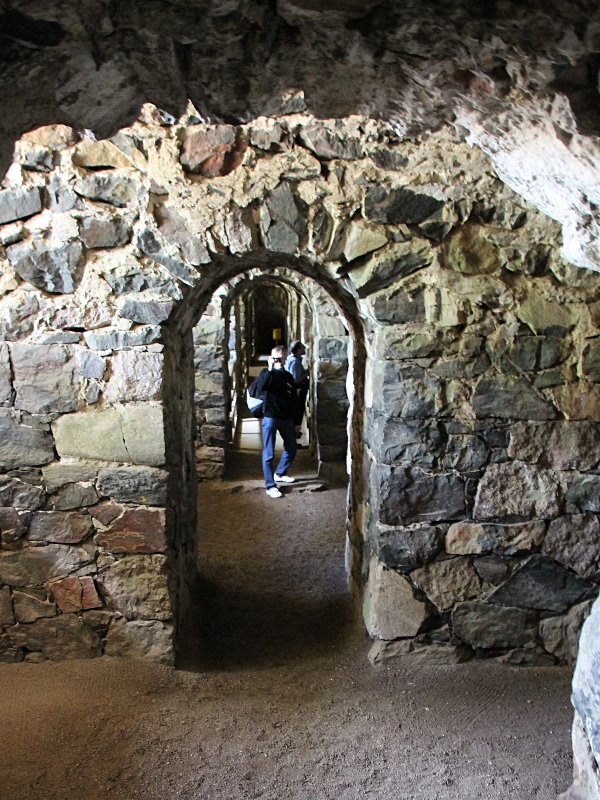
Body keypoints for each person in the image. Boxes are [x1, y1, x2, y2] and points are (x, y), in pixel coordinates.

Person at [254, 345, 298, 498]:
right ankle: (270, 485)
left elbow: (294, 400)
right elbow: (261, 387)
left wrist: (297, 421)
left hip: (286, 418)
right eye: (278, 358)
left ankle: (279, 472)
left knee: (292, 447)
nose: (281, 361)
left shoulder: (288, 377)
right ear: (272, 358)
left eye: (283, 358)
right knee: (269, 453)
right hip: (271, 417)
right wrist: (270, 368)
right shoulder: (267, 374)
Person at [284, 340, 310, 442]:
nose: (304, 349)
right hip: (297, 391)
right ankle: (293, 439)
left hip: (295, 391)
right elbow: (295, 380)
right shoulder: (294, 362)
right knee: (297, 413)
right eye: (302, 347)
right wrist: (306, 373)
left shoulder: (292, 359)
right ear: (298, 349)